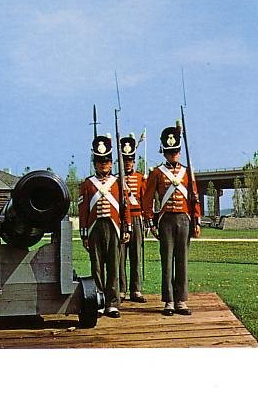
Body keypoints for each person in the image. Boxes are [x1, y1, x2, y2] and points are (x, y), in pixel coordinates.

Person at [142, 124, 201, 316]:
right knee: (167, 261)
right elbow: (148, 198)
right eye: (169, 152)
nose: (173, 155)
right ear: (164, 152)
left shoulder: (187, 172)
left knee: (182, 261)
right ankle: (168, 301)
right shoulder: (157, 173)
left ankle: (181, 301)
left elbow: (194, 197)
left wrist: (197, 221)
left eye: (175, 152)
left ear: (180, 152)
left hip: (184, 218)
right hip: (166, 219)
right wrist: (150, 221)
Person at [78, 134, 131, 318]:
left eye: (106, 161)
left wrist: (126, 227)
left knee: (114, 266)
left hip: (113, 227)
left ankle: (112, 303)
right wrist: (84, 234)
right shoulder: (87, 184)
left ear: (111, 163)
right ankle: (99, 301)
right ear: (95, 163)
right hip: (94, 228)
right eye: (100, 161)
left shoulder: (118, 183)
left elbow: (125, 208)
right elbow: (83, 209)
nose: (103, 165)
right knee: (97, 266)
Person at [118, 133, 147, 304]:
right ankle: (121, 289)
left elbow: (144, 199)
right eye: (125, 160)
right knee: (120, 257)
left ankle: (136, 289)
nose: (128, 163)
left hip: (136, 218)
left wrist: (145, 220)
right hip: (121, 220)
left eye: (130, 160)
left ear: (134, 161)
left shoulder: (139, 178)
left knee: (136, 255)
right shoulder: (116, 180)